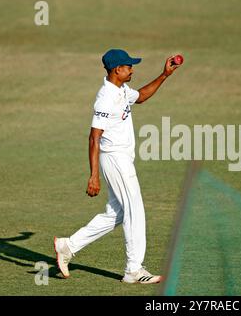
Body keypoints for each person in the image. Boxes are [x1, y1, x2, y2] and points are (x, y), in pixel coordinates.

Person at [54, 49, 181, 284]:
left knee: (118, 213)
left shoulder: (121, 90)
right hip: (114, 158)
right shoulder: (105, 97)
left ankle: (67, 246)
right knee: (135, 209)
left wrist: (164, 75)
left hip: (122, 158)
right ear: (116, 70)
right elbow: (94, 137)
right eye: (128, 66)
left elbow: (141, 96)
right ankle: (134, 269)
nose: (132, 69)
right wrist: (94, 176)